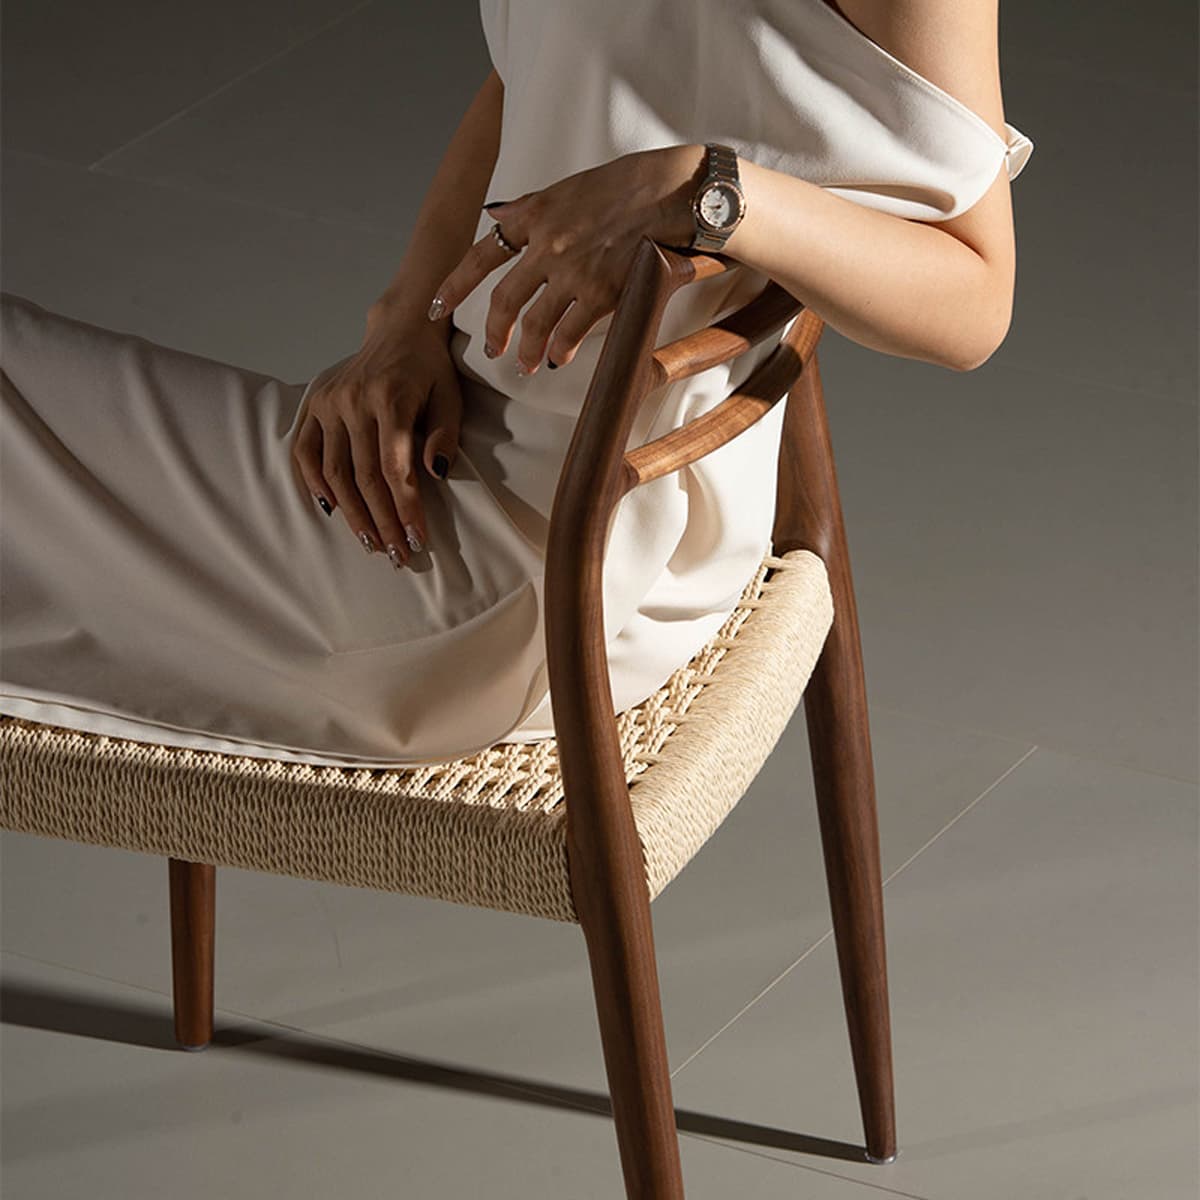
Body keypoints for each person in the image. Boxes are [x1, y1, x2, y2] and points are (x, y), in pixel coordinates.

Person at [0, 0, 1033, 767]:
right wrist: (407, 322)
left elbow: (976, 299)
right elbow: (526, 78)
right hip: (442, 473)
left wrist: (707, 189)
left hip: (521, 570)